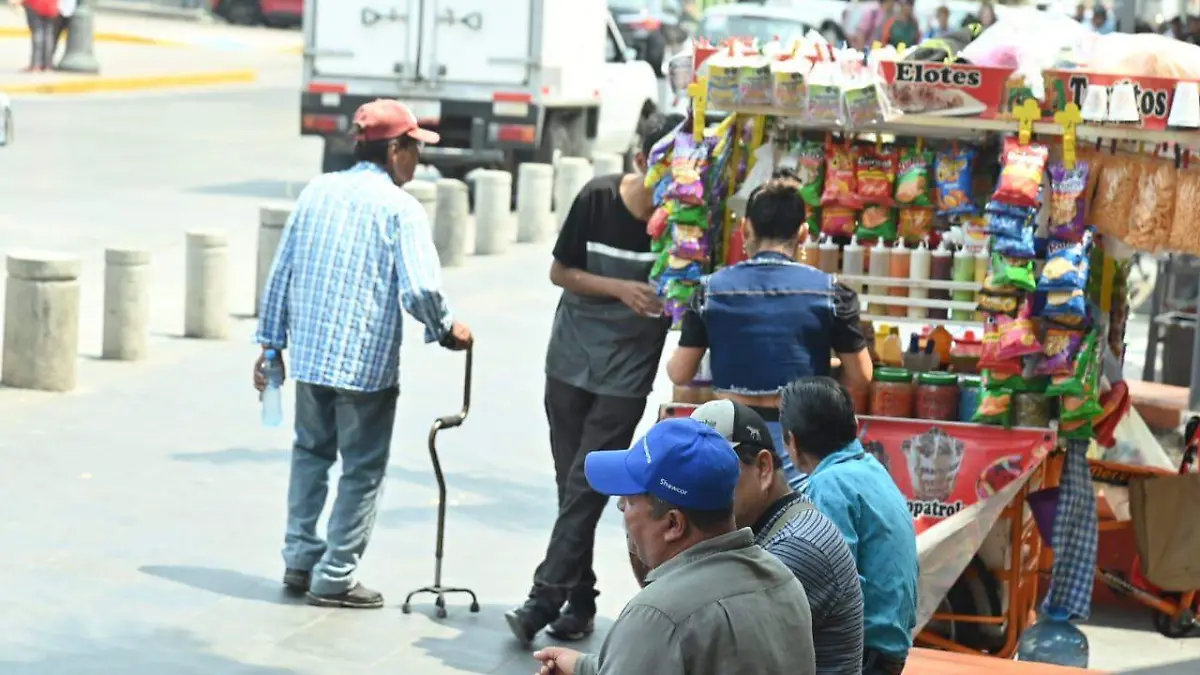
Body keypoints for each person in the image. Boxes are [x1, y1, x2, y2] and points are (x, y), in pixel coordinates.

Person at [254, 99, 473, 609]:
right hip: (364, 368)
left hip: (311, 358)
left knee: (310, 455)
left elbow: (280, 271)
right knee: (361, 469)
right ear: (394, 149)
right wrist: (446, 330)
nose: (417, 160)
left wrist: (271, 346)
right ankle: (333, 575)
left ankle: (299, 559)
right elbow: (421, 290)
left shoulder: (317, 190)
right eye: (415, 149)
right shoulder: (400, 208)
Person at [503, 114, 685, 645]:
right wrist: (620, 288)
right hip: (570, 359)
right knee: (570, 483)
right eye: (662, 169)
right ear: (638, 163)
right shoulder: (597, 198)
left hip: (626, 374)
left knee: (586, 483)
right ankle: (579, 601)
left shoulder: (685, 223)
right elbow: (560, 271)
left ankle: (542, 600)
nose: (671, 183)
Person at [531, 417, 817, 675]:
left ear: (673, 525)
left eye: (630, 500)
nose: (620, 506)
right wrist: (583, 668)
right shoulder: (783, 581)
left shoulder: (659, 616)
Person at [664, 173, 873, 489]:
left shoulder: (709, 291)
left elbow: (679, 372)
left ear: (746, 227)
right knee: (792, 528)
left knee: (730, 528)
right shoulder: (832, 293)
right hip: (799, 439)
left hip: (729, 434)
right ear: (803, 233)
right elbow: (861, 375)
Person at [691, 400, 865, 675]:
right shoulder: (780, 523)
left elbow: (707, 643)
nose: (697, 491)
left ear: (763, 467)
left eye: (715, 473)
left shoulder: (794, 547)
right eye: (689, 477)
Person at [779, 377, 918, 675]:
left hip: (865, 654)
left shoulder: (828, 485)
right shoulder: (870, 468)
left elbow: (829, 582)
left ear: (793, 441)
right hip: (889, 647)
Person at [13, 0, 58, 72]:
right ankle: (47, 65)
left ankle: (36, 65)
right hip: (51, 6)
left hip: (35, 5)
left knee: (38, 34)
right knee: (48, 35)